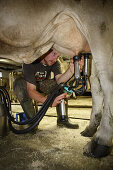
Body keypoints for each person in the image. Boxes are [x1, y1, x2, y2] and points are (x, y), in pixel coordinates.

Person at [13, 48, 79, 129]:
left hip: (42, 85)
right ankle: (32, 122)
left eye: (57, 56)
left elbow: (59, 81)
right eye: (54, 54)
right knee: (19, 84)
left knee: (61, 85)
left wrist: (71, 71)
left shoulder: (55, 63)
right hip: (28, 87)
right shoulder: (29, 62)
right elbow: (31, 91)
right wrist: (49, 102)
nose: (55, 59)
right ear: (44, 51)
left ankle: (62, 118)